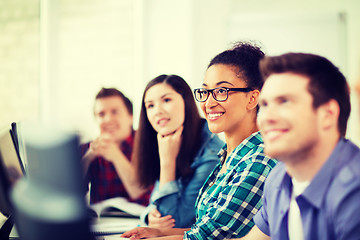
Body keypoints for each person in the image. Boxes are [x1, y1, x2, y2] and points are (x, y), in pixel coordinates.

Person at [121, 42, 278, 240]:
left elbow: (207, 239)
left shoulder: (258, 160)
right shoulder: (229, 156)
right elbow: (206, 229)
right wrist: (158, 231)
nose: (209, 103)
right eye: (205, 92)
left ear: (252, 99)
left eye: (222, 91)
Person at [234, 52, 360, 240]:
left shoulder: (354, 192)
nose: (266, 118)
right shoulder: (278, 177)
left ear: (328, 114)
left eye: (284, 101)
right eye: (265, 104)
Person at [133, 74, 223, 228]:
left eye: (166, 100)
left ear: (186, 102)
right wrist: (148, 216)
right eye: (150, 106)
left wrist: (167, 163)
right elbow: (155, 203)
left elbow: (175, 222)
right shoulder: (170, 141)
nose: (157, 111)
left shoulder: (211, 154)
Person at [80, 87, 151, 205]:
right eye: (101, 114)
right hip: (103, 221)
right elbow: (68, 195)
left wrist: (115, 156)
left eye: (115, 112)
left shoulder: (147, 143)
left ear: (130, 117)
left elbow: (142, 194)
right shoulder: (88, 149)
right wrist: (88, 158)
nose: (108, 119)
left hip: (140, 221)